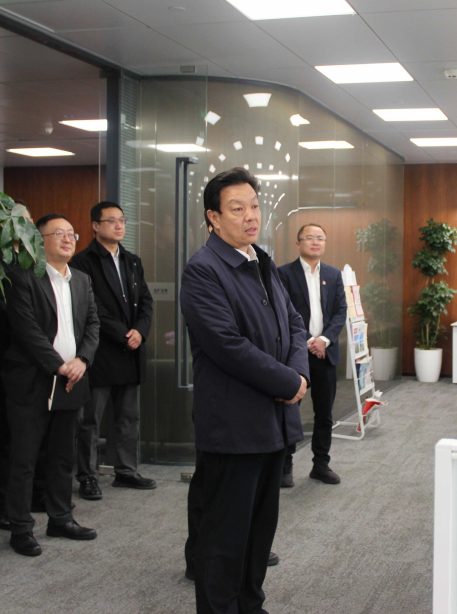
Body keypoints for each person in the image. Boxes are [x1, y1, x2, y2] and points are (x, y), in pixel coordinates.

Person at [179, 168, 309, 614]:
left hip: (272, 424)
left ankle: (251, 605)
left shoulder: (261, 260)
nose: (251, 216)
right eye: (237, 209)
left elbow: (294, 323)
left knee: (259, 533)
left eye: (254, 206)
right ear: (213, 218)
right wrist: (289, 382)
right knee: (224, 540)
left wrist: (299, 374)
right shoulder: (203, 270)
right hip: (233, 428)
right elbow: (228, 346)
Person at [2, 214, 100, 557]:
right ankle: (20, 527)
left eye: (71, 233)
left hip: (72, 381)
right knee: (25, 458)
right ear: (39, 240)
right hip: (33, 381)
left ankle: (61, 518)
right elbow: (26, 330)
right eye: (58, 233)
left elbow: (93, 325)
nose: (68, 239)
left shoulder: (82, 280)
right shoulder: (23, 278)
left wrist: (82, 361)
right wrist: (59, 365)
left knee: (63, 455)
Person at [71, 201, 155, 499]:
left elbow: (146, 301)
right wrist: (123, 333)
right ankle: (88, 476)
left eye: (122, 220)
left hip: (130, 351)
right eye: (112, 221)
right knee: (90, 419)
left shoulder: (132, 261)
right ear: (95, 226)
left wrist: (140, 331)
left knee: (128, 417)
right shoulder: (83, 262)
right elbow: (92, 306)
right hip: (101, 351)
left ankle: (126, 471)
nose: (119, 226)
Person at [278, 224, 347, 487]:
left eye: (320, 238)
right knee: (290, 410)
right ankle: (285, 465)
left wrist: (324, 340)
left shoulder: (334, 274)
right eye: (309, 238)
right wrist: (309, 341)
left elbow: (340, 311)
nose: (315, 242)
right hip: (296, 354)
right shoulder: (284, 274)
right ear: (298, 243)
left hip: (325, 354)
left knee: (324, 413)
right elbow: (284, 313)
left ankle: (321, 465)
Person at [0, 199, 30, 530]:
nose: (24, 225)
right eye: (17, 219)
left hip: (32, 363)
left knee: (24, 439)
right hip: (2, 362)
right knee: (0, 438)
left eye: (27, 219)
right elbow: (9, 315)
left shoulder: (31, 259)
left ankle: (27, 500)